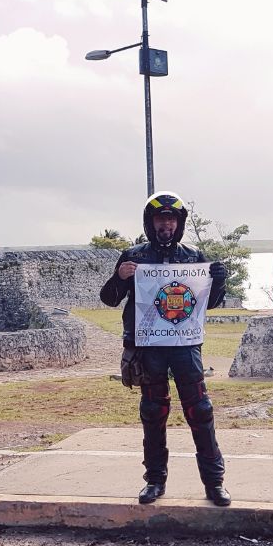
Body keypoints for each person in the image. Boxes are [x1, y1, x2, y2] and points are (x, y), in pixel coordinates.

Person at [100, 192, 231, 506]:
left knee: (200, 410)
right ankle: (155, 480)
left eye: (172, 219)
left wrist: (219, 281)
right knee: (153, 412)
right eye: (161, 219)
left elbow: (208, 304)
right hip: (149, 347)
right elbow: (108, 298)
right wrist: (119, 277)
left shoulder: (193, 255)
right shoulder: (133, 255)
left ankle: (214, 483)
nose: (167, 224)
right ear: (151, 222)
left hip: (185, 345)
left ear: (180, 222)